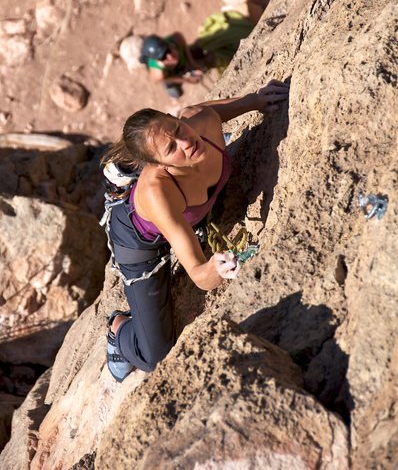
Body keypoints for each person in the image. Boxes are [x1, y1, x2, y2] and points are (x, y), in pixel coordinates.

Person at [101, 79, 289, 382]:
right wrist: (216, 267)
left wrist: (256, 100)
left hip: (188, 216)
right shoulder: (158, 192)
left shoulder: (199, 121)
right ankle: (118, 329)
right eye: (171, 148)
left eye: (177, 129)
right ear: (157, 164)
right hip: (140, 242)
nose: (186, 142)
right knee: (155, 357)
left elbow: (214, 111)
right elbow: (199, 275)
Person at [140, 32, 204, 98]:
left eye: (168, 50)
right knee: (176, 93)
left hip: (180, 62)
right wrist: (185, 79)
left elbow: (185, 48)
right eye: (163, 57)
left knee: (199, 52)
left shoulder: (177, 39)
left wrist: (193, 63)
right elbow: (162, 79)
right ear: (158, 61)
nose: (170, 56)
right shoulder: (158, 73)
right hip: (169, 74)